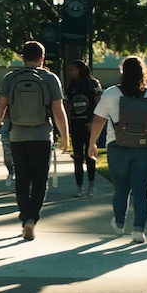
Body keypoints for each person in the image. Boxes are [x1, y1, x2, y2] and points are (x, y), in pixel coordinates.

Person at [0, 41, 69, 241]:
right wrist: (65, 135)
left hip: (17, 136)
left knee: (22, 179)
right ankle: (32, 218)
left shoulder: (11, 78)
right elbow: (58, 110)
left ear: (22, 57)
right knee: (39, 180)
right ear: (42, 58)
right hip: (41, 136)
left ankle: (24, 219)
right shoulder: (50, 78)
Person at [88, 56, 147, 244]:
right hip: (145, 148)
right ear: (144, 72)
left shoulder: (111, 93)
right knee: (141, 191)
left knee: (121, 189)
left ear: (123, 72)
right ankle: (139, 230)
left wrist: (92, 143)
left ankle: (119, 223)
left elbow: (99, 119)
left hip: (117, 147)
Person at [64, 60, 103, 197]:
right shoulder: (72, 85)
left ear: (80, 69)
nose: (71, 72)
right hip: (76, 124)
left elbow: (99, 103)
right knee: (78, 156)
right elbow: (69, 104)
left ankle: (91, 185)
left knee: (90, 155)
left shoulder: (93, 84)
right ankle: (79, 187)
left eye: (73, 69)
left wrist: (94, 120)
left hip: (89, 123)